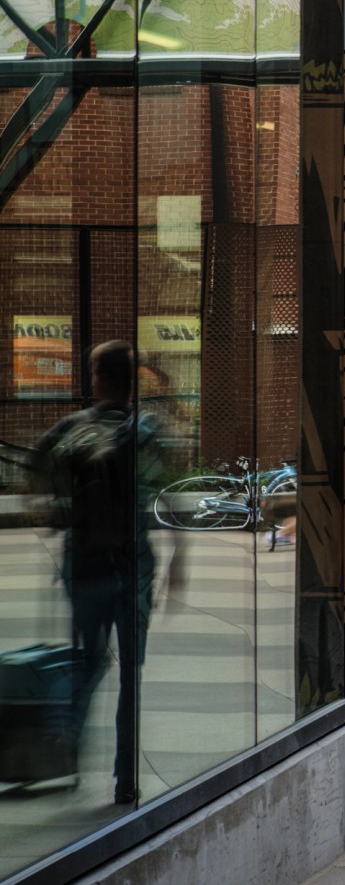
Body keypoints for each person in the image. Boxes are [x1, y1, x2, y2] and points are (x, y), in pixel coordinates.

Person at [33, 341, 173, 806]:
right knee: (130, 674)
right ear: (131, 382)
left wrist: (54, 508)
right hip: (133, 569)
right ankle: (125, 777)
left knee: (87, 661)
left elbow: (35, 466)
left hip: (85, 568)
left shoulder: (72, 427)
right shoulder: (147, 428)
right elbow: (163, 492)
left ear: (97, 378)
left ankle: (65, 743)